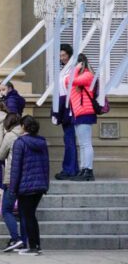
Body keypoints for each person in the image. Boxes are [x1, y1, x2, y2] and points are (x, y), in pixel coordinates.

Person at [9, 116, 50, 256]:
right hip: (39, 185)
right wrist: (45, 184)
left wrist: (13, 189)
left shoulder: (20, 143)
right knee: (30, 215)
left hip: (25, 186)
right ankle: (35, 245)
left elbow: (16, 168)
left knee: (27, 216)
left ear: (24, 127)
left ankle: (33, 246)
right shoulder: (42, 142)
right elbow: (46, 165)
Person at [0, 112, 27, 253]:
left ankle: (16, 238)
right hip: (26, 178)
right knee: (23, 212)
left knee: (6, 210)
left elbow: (0, 155)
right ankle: (25, 241)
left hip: (12, 178)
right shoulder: (26, 134)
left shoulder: (10, 136)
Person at [65, 53, 97, 181]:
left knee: (86, 143)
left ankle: (88, 170)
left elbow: (69, 80)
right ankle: (84, 169)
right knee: (82, 144)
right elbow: (68, 80)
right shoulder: (79, 75)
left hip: (85, 112)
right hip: (78, 113)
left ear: (80, 63)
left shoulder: (88, 75)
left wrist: (78, 68)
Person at [53, 44, 79, 180]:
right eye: (60, 56)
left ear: (69, 55)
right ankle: (71, 169)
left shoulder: (73, 69)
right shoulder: (64, 70)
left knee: (70, 140)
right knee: (69, 140)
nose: (62, 58)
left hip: (71, 109)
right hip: (65, 108)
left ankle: (69, 170)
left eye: (64, 55)